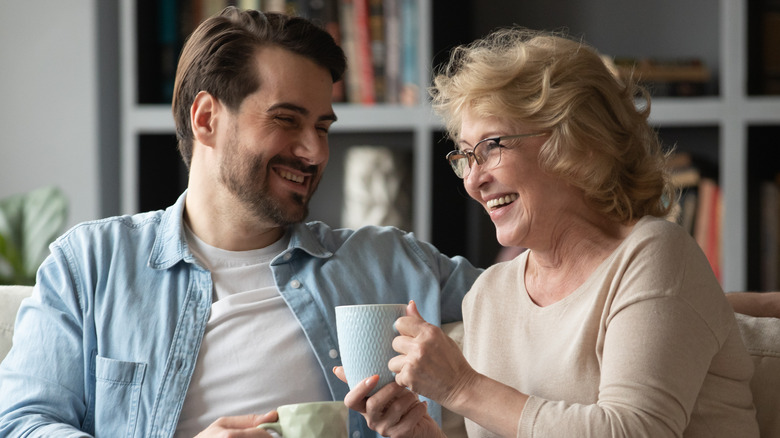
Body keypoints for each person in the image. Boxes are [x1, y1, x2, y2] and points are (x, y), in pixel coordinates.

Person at [0, 7, 481, 438]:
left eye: (322, 127)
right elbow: (22, 423)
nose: (314, 151)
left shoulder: (388, 261)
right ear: (206, 118)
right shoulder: (91, 265)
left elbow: (538, 292)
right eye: (286, 120)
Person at [339, 28, 761, 437]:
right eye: (465, 156)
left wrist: (461, 387)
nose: (472, 180)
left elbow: (635, 430)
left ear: (578, 142)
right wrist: (419, 432)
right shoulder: (489, 294)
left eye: (491, 146)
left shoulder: (654, 256)